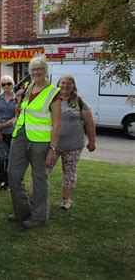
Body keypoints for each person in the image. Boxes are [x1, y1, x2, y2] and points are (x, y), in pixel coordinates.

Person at [7, 55, 61, 229]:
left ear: (45, 71)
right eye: (33, 70)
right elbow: (21, 111)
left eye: (39, 69)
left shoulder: (54, 92)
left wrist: (53, 148)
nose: (36, 72)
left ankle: (39, 216)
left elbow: (57, 123)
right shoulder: (28, 87)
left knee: (39, 178)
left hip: (41, 141)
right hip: (20, 136)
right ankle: (22, 211)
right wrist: (18, 100)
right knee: (13, 173)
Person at [47, 74, 96, 210]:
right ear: (58, 84)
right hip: (53, 144)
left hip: (73, 145)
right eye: (63, 83)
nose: (65, 86)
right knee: (45, 169)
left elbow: (89, 123)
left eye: (69, 83)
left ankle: (66, 199)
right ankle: (35, 196)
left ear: (73, 86)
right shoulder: (52, 99)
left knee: (69, 171)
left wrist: (92, 141)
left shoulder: (79, 102)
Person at [0, 75, 17, 190]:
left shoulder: (17, 98)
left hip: (11, 132)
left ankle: (7, 181)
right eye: (4, 84)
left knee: (10, 157)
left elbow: (16, 117)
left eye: (9, 83)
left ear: (13, 84)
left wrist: (1, 125)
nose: (6, 86)